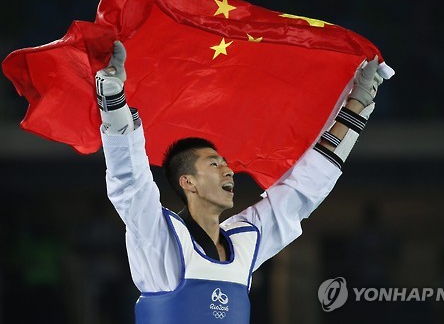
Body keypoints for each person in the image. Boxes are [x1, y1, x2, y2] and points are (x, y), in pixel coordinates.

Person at [95, 41, 385, 324]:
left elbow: (302, 192)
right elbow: (131, 185)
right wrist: (113, 104)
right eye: (214, 164)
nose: (228, 171)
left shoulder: (245, 242)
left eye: (225, 163)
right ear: (188, 183)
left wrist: (356, 108)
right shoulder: (161, 238)